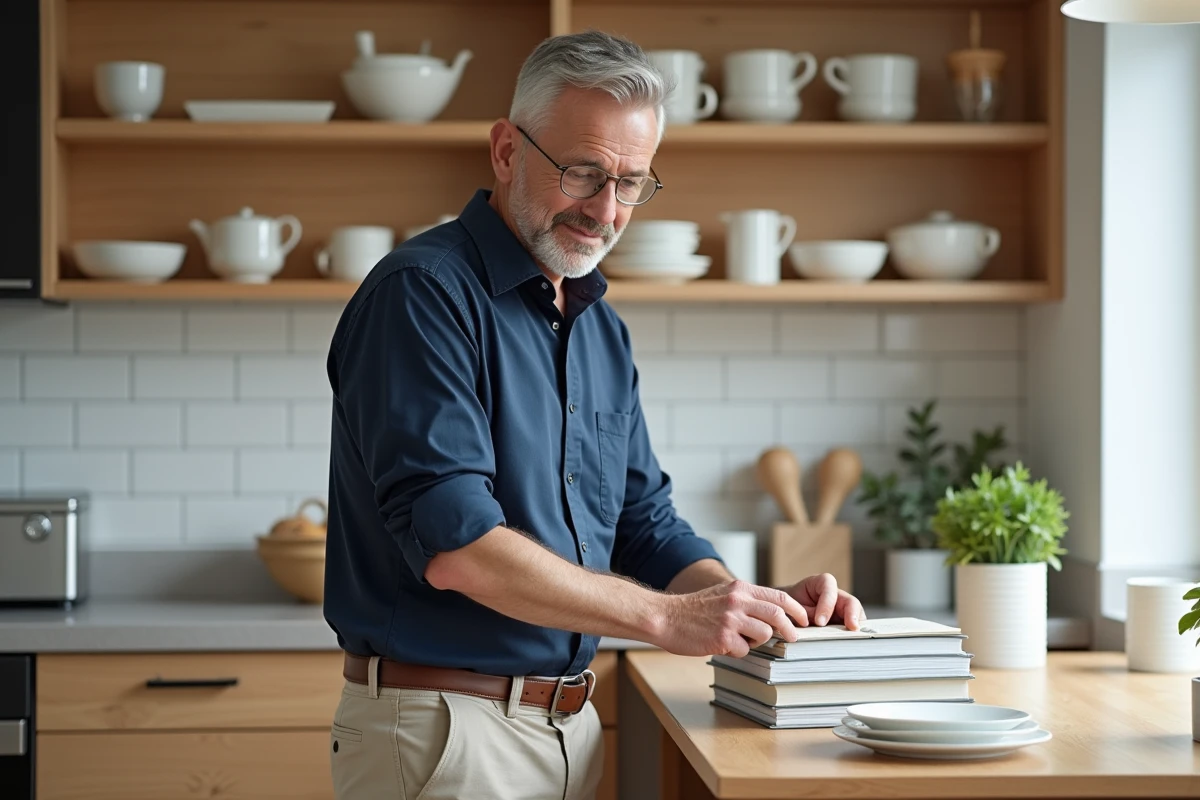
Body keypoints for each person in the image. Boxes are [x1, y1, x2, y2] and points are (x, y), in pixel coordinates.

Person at [322, 29, 865, 800]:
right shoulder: (424, 294)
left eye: (631, 182)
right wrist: (667, 619)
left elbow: (645, 525)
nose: (606, 210)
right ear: (506, 151)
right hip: (449, 733)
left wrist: (748, 609)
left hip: (567, 733)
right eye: (582, 172)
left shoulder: (598, 327)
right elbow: (457, 545)